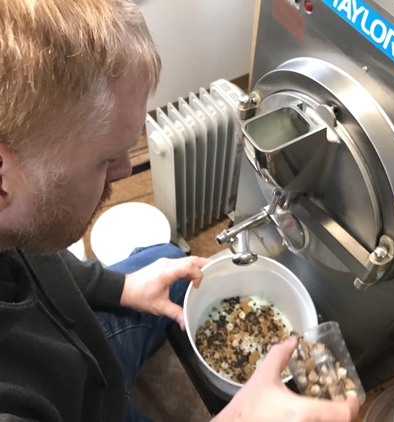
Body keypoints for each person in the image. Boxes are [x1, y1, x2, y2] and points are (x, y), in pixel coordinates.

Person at [0, 1, 359, 421]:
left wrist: (119, 287)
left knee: (171, 259)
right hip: (82, 408)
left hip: (82, 355)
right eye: (105, 159)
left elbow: (38, 259)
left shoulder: (14, 224)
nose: (127, 168)